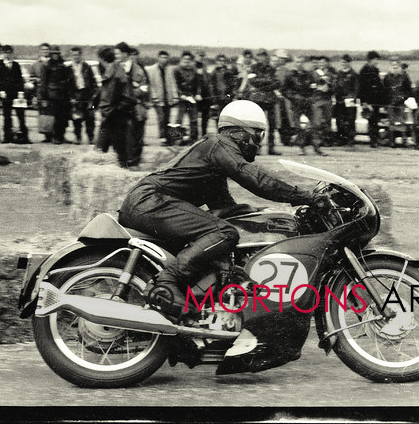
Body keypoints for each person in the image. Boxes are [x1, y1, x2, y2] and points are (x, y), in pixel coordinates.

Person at [117, 100, 320, 318]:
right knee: (224, 232)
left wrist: (264, 212)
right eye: (258, 135)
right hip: (150, 201)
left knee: (223, 232)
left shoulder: (212, 160)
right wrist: (305, 196)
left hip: (149, 203)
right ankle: (166, 284)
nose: (259, 143)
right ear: (241, 132)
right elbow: (254, 178)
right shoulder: (219, 144)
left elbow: (225, 207)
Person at [94, 46, 135, 169]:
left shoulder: (115, 72)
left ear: (102, 59)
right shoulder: (113, 70)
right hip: (111, 115)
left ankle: (124, 169)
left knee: (118, 149)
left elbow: (127, 97)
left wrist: (112, 110)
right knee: (101, 149)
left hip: (114, 116)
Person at [240, 48, 282, 155]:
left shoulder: (271, 68)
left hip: (269, 99)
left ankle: (271, 148)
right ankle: (255, 148)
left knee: (272, 126)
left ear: (266, 56)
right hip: (257, 99)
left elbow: (277, 83)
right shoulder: (253, 68)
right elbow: (252, 81)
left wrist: (262, 83)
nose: (260, 57)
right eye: (259, 55)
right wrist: (267, 81)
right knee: (257, 125)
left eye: (263, 55)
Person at [40, 45, 74, 144]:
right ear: (51, 54)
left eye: (57, 53)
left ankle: (61, 136)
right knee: (53, 117)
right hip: (52, 95)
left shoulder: (63, 65)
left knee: (63, 117)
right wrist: (44, 97)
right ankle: (54, 137)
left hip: (63, 94)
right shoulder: (46, 66)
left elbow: (68, 80)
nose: (55, 55)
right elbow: (44, 82)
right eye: (53, 53)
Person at [146, 50, 180, 146]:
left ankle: (167, 137)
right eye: (162, 57)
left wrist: (175, 96)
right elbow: (150, 85)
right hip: (158, 98)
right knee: (161, 118)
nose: (164, 59)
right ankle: (162, 137)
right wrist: (154, 97)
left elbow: (173, 83)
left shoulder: (170, 70)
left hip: (167, 98)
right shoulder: (151, 70)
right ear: (158, 58)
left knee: (167, 118)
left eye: (166, 58)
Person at [68, 46, 98, 145]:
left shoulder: (87, 67)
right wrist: (71, 96)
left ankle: (91, 137)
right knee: (76, 118)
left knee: (90, 117)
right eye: (73, 55)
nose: (75, 57)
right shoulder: (69, 68)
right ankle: (78, 137)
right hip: (76, 94)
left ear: (81, 55)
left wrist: (94, 94)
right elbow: (67, 84)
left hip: (87, 94)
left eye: (77, 55)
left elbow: (93, 81)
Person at [174, 50, 204, 145]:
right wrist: (180, 95)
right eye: (185, 59)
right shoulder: (176, 70)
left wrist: (198, 94)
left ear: (191, 61)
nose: (186, 61)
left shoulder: (194, 70)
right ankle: (177, 139)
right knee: (179, 120)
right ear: (181, 59)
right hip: (182, 99)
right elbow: (175, 84)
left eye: (188, 59)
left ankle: (193, 139)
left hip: (192, 98)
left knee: (194, 119)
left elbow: (198, 84)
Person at [2, 45, 29, 144]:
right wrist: (1, 90)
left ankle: (25, 137)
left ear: (12, 53)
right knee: (7, 116)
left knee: (21, 116)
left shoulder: (16, 65)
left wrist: (21, 92)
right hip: (5, 94)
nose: (7, 54)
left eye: (9, 52)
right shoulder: (0, 65)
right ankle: (7, 137)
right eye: (5, 52)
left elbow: (20, 80)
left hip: (16, 94)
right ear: (3, 53)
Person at [358, 51, 386, 148]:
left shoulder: (375, 70)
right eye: (376, 59)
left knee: (375, 120)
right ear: (370, 60)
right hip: (368, 101)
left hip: (376, 101)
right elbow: (362, 88)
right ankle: (373, 140)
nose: (377, 61)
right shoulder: (364, 71)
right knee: (372, 121)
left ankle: (376, 139)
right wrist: (365, 103)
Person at [383, 59, 412, 148]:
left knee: (402, 122)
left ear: (400, 67)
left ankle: (404, 141)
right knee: (392, 122)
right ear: (390, 66)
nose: (394, 67)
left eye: (396, 65)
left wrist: (403, 98)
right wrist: (386, 103)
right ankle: (392, 141)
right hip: (390, 103)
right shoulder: (387, 77)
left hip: (401, 103)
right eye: (392, 65)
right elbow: (384, 90)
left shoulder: (405, 77)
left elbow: (409, 90)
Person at [333, 54, 359, 147]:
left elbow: (356, 89)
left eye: (344, 62)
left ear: (349, 63)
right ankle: (341, 139)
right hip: (339, 101)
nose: (342, 64)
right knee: (339, 120)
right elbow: (335, 86)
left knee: (351, 120)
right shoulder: (338, 74)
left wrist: (353, 98)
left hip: (350, 101)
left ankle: (351, 138)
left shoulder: (354, 74)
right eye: (341, 62)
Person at [310, 56, 334, 153]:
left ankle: (325, 141)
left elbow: (336, 86)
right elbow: (309, 85)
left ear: (327, 63)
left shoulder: (331, 74)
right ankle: (317, 144)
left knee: (327, 122)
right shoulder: (313, 73)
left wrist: (329, 88)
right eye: (320, 63)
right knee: (317, 122)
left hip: (327, 100)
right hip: (317, 100)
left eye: (324, 62)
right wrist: (317, 87)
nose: (321, 64)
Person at [209, 54, 239, 130]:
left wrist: (230, 95)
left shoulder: (229, 72)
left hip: (227, 98)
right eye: (219, 61)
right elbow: (211, 87)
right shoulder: (213, 73)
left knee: (228, 117)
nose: (221, 62)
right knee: (218, 118)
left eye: (223, 61)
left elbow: (233, 85)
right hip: (217, 99)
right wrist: (214, 99)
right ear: (216, 62)